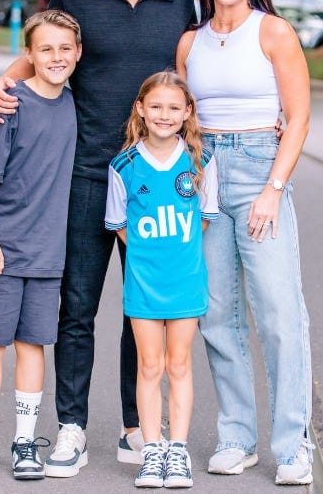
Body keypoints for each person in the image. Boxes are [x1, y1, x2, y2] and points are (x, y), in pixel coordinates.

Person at [0, 0, 196, 477]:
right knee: (75, 308)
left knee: (141, 309)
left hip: (151, 181)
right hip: (84, 175)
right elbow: (45, 50)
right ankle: (71, 427)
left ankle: (135, 427)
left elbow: (195, 72)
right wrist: (3, 82)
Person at [175, 0, 314, 486]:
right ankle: (237, 437)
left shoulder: (273, 32)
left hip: (261, 171)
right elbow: (182, 118)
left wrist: (273, 188)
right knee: (216, 315)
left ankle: (293, 445)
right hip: (204, 175)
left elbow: (298, 118)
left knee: (279, 313)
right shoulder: (190, 43)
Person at [0, 10, 81, 483]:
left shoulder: (71, 104)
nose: (56, 57)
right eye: (45, 48)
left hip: (47, 251)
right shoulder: (8, 105)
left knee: (33, 344)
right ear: (28, 54)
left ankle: (25, 441)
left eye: (65, 48)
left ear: (78, 54)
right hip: (1, 248)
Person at [104, 72, 218, 488]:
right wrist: (149, 254)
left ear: (187, 112)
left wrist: (176, 252)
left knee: (179, 363)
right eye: (155, 106)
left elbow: (204, 218)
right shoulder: (124, 166)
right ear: (141, 109)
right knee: (149, 365)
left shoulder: (201, 162)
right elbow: (120, 224)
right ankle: (152, 451)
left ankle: (178, 451)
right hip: (144, 283)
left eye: (173, 107)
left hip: (185, 280)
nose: (164, 115)